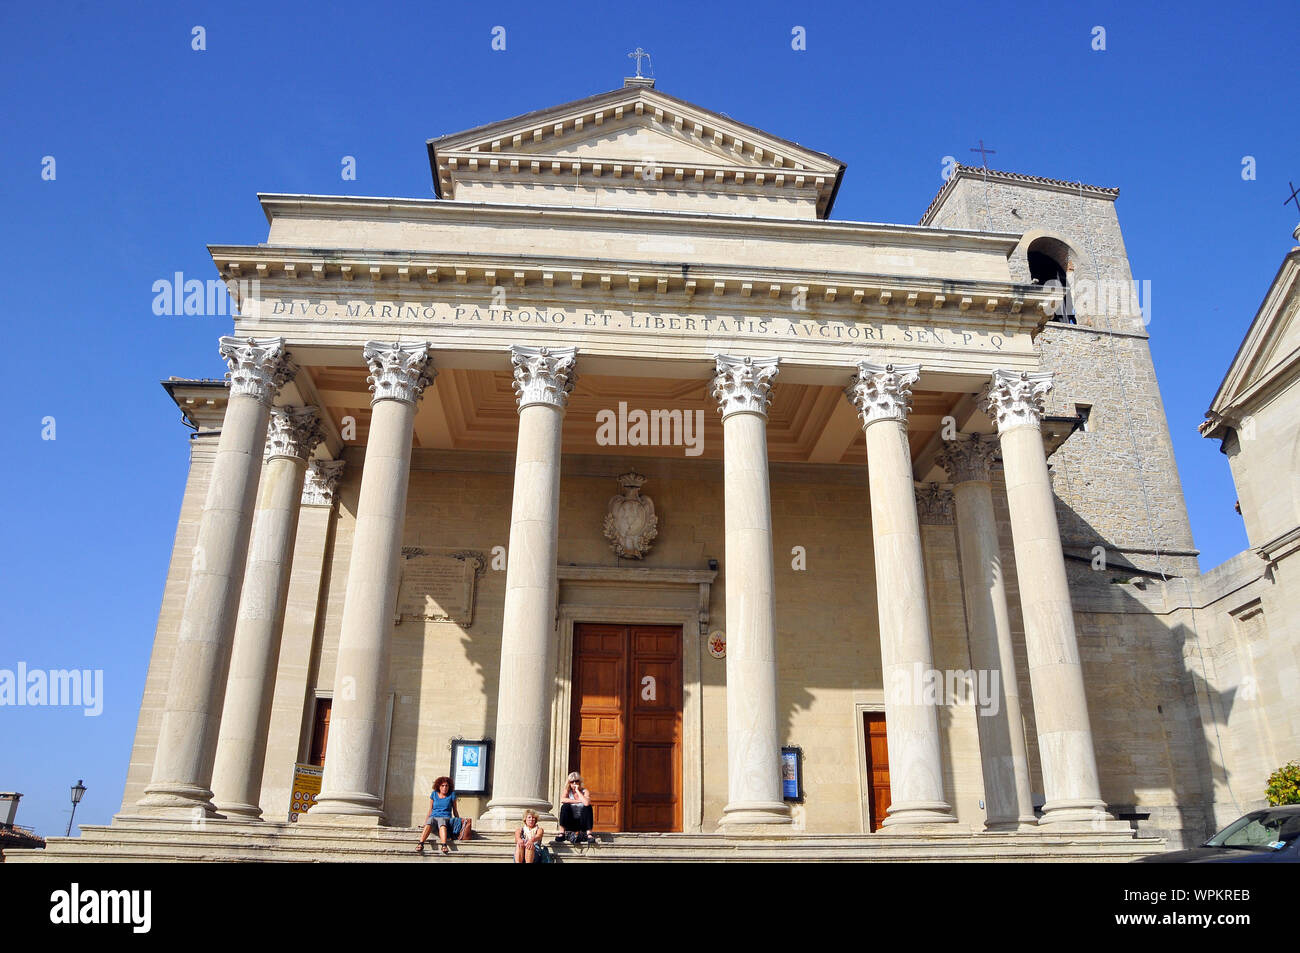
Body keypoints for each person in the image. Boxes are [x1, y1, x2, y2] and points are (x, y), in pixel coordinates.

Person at [416, 777, 472, 854]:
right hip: (434, 817)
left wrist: (458, 820)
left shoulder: (452, 795)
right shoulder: (434, 794)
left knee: (441, 820)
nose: (445, 787)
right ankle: (421, 843)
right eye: (442, 786)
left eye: (446, 786)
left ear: (449, 787)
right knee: (430, 820)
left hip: (446, 817)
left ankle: (444, 845)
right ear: (438, 786)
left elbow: (455, 810)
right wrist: (425, 823)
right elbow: (430, 809)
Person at [557, 771, 594, 844]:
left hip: (582, 822)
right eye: (572, 782)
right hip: (571, 822)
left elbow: (586, 803)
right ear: (569, 783)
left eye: (576, 781)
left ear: (579, 782)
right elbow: (562, 800)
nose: (574, 783)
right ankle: (562, 833)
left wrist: (577, 791)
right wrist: (577, 801)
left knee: (588, 807)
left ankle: (589, 834)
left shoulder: (584, 791)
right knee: (565, 806)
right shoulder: (567, 791)